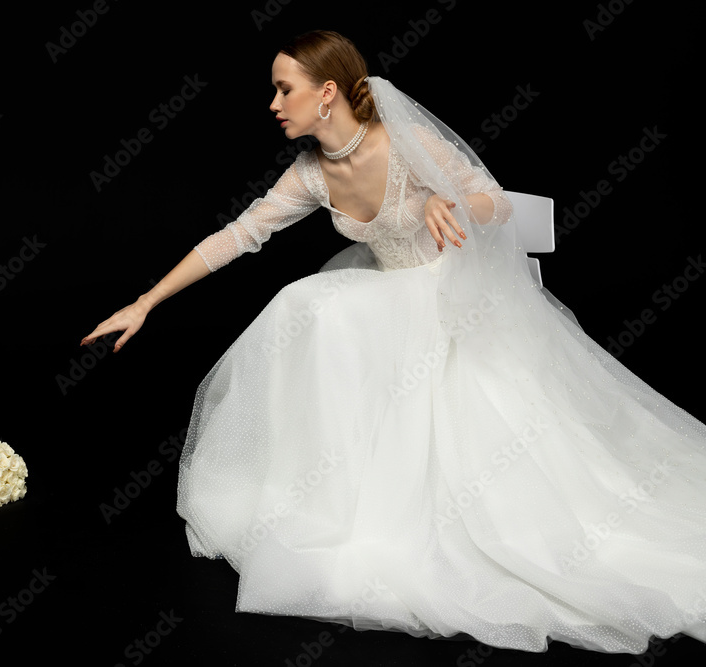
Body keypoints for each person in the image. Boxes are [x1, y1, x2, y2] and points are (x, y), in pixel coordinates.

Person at [79, 30, 706, 654]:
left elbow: (495, 203)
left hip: (454, 300)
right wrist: (146, 301)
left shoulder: (405, 144)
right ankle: (340, 502)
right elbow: (239, 235)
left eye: (283, 88)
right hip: (386, 300)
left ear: (326, 93)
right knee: (311, 308)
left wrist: (447, 200)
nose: (273, 102)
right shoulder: (310, 176)